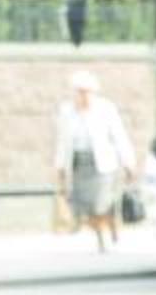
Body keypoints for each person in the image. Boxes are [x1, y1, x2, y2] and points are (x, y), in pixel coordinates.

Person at [52, 69, 137, 253]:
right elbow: (62, 142)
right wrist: (59, 167)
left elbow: (119, 136)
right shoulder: (67, 112)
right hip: (79, 165)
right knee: (86, 207)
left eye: (86, 92)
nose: (83, 96)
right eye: (79, 92)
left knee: (101, 204)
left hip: (102, 166)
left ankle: (108, 230)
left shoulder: (106, 109)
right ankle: (101, 234)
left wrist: (128, 163)